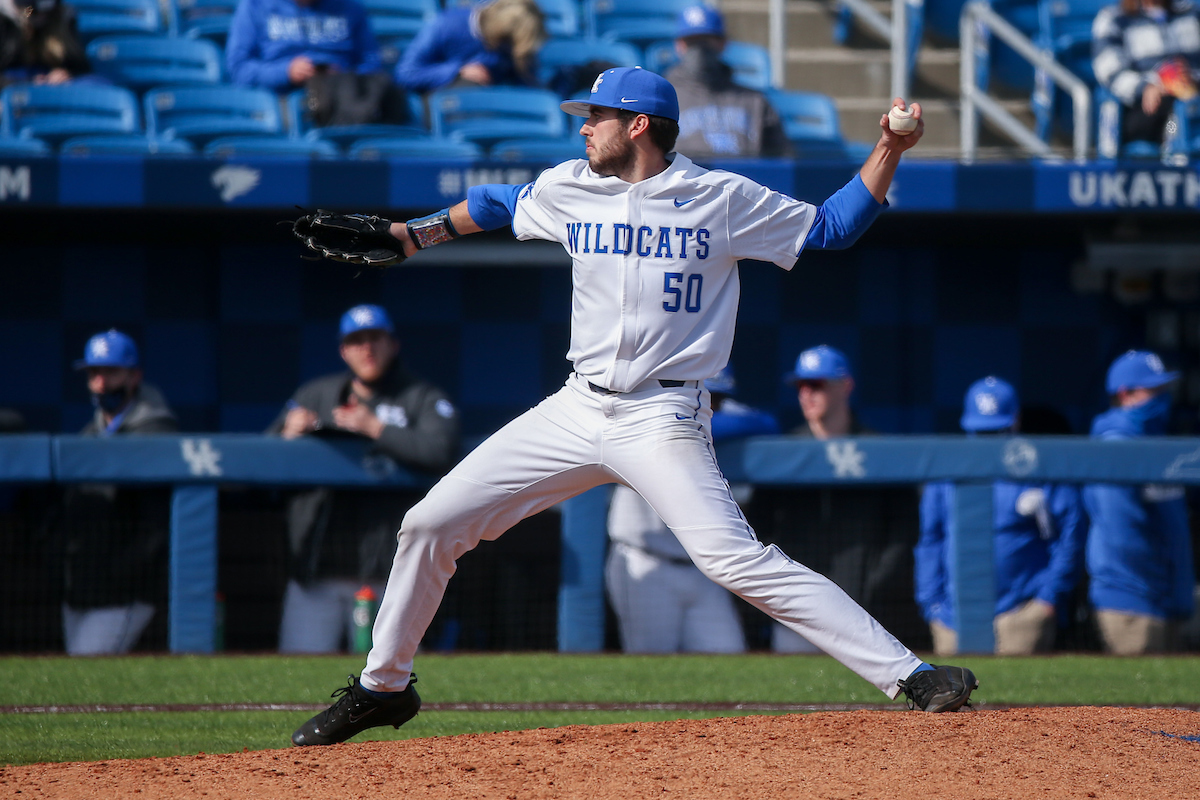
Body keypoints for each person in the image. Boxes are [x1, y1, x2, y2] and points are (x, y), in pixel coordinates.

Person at [291, 66, 976, 747]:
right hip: (576, 406)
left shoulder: (719, 197)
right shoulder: (570, 186)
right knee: (429, 524)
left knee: (733, 560)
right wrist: (414, 234)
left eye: (597, 117)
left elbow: (831, 228)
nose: (584, 128)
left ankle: (911, 675)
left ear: (639, 125)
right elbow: (498, 203)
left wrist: (889, 148)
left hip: (663, 417)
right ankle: (384, 687)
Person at [267, 304, 460, 653]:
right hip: (318, 573)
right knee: (298, 669)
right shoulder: (315, 395)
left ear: (393, 344)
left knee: (390, 674)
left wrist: (374, 428)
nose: (367, 348)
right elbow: (259, 462)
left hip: (390, 573)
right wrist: (287, 436)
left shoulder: (420, 397)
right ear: (344, 350)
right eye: (357, 341)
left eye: (375, 338)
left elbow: (442, 451)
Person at [752, 345, 925, 653]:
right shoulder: (783, 452)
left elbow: (903, 530)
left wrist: (874, 584)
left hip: (864, 608)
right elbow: (760, 527)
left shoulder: (879, 450)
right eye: (801, 386)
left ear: (845, 386)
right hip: (798, 606)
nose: (806, 394)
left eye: (816, 385)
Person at [605, 364, 779, 654]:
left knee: (729, 657)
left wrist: (709, 423)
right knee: (651, 665)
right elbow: (680, 423)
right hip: (647, 562)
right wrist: (704, 425)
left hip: (703, 568)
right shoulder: (647, 411)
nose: (712, 405)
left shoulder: (714, 417)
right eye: (708, 395)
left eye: (718, 399)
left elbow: (767, 423)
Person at [915, 376, 1087, 656]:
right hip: (953, 618)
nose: (988, 441)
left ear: (1015, 422)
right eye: (981, 432)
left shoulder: (1038, 469)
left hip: (1022, 614)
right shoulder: (946, 472)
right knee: (954, 686)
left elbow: (1071, 534)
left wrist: (1047, 598)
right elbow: (930, 542)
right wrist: (931, 604)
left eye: (996, 431)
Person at [61, 330, 177, 655]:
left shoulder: (156, 431)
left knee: (85, 667)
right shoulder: (90, 434)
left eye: (111, 372)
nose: (101, 383)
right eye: (94, 373)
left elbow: (158, 525)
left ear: (134, 376)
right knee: (74, 672)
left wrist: (124, 572)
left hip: (125, 588)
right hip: (82, 583)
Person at [1084, 350, 1194, 654]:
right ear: (1125, 394)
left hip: (1163, 599)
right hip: (1133, 600)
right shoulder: (1115, 445)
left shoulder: (1151, 442)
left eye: (1164, 388)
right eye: (1153, 390)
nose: (1163, 397)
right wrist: (1161, 586)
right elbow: (1121, 533)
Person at [226, 0, 409, 126]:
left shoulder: (350, 7)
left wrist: (341, 77)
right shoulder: (255, 5)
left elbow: (371, 63)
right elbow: (238, 69)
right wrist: (286, 71)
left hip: (341, 101)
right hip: (282, 102)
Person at [664, 4, 789, 160]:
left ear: (722, 43)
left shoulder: (755, 102)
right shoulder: (663, 98)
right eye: (692, 42)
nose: (699, 50)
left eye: (706, 41)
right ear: (679, 46)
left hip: (744, 175)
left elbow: (782, 159)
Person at [1092, 0, 1200, 147]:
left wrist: (1191, 79)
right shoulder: (1115, 18)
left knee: (1187, 108)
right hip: (1145, 106)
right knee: (1173, 115)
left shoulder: (1192, 13)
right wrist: (1147, 86)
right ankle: (1174, 147)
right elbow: (1109, 69)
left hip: (1192, 96)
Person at [394, 0, 545, 95]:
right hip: (446, 99)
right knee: (469, 87)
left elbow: (527, 84)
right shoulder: (446, 25)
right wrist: (458, 70)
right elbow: (406, 74)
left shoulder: (515, 41)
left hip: (492, 100)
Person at [0, 0, 90, 87]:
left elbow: (80, 68)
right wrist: (27, 82)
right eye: (33, 12)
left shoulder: (61, 20)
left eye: (47, 11)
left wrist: (66, 74)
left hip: (49, 88)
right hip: (14, 90)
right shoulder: (5, 25)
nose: (41, 17)